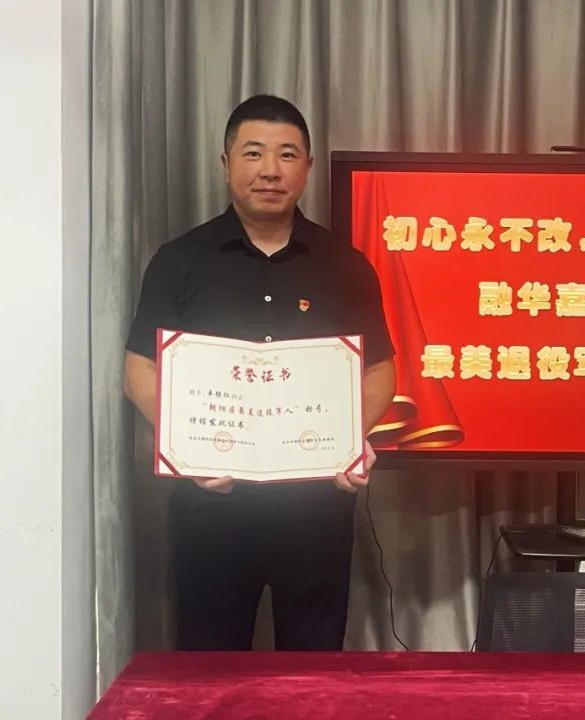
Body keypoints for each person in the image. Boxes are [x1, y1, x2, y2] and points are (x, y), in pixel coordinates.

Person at [122, 94, 396, 651]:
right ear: (226, 163)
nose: (270, 170)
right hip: (211, 506)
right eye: (253, 153)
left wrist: (349, 440)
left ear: (307, 167)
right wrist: (187, 448)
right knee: (211, 666)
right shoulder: (179, 261)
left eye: (287, 155)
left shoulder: (346, 265)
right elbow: (140, 368)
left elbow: (379, 370)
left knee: (312, 669)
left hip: (316, 508)